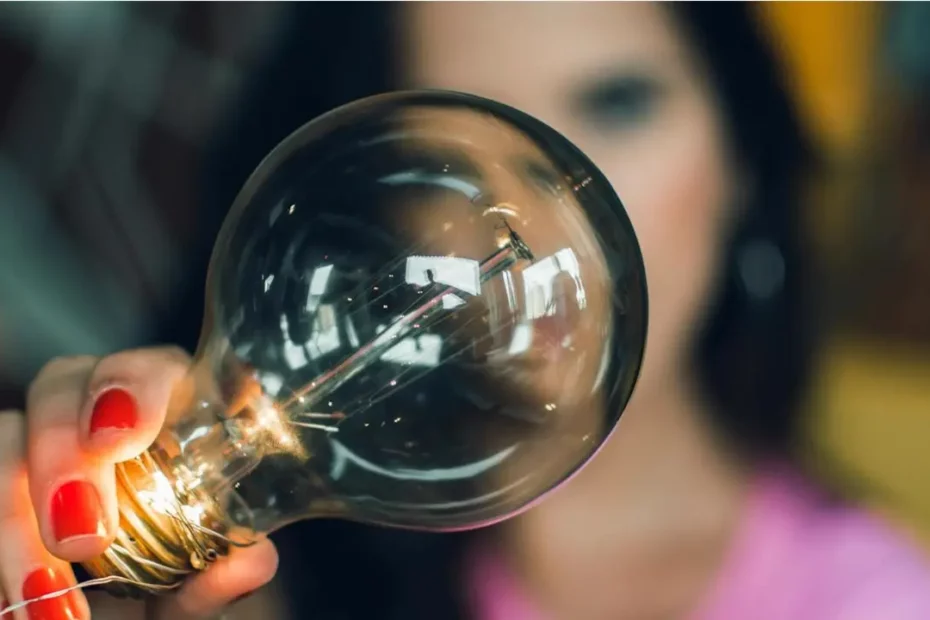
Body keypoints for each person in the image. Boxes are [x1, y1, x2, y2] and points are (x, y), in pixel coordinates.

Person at [2, 3, 929, 619]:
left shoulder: (867, 598)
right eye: (457, 142)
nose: (523, 221)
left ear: (740, 160)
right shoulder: (295, 581)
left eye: (618, 101)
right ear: (382, 202)